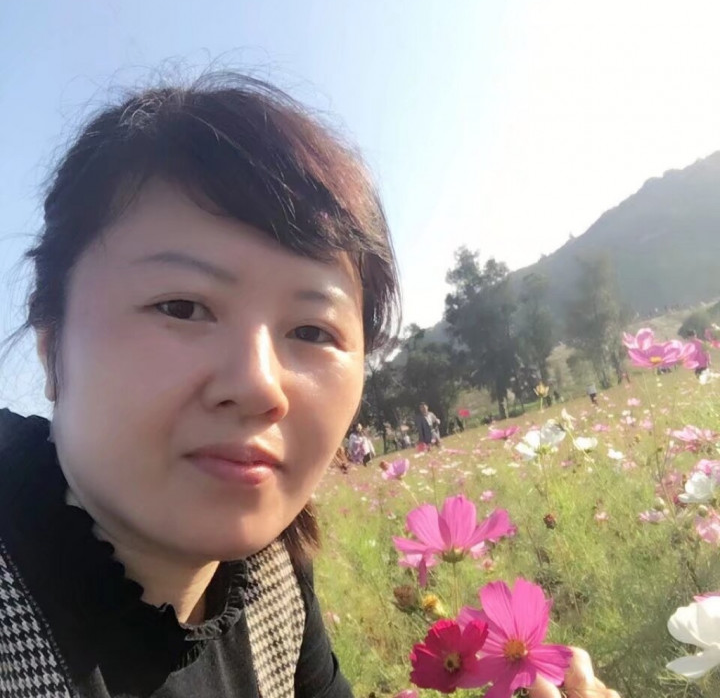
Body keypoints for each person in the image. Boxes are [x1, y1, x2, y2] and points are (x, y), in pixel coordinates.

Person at [0, 72, 617, 698]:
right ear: (52, 344)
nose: (259, 385)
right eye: (182, 308)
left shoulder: (272, 580)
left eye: (312, 331)